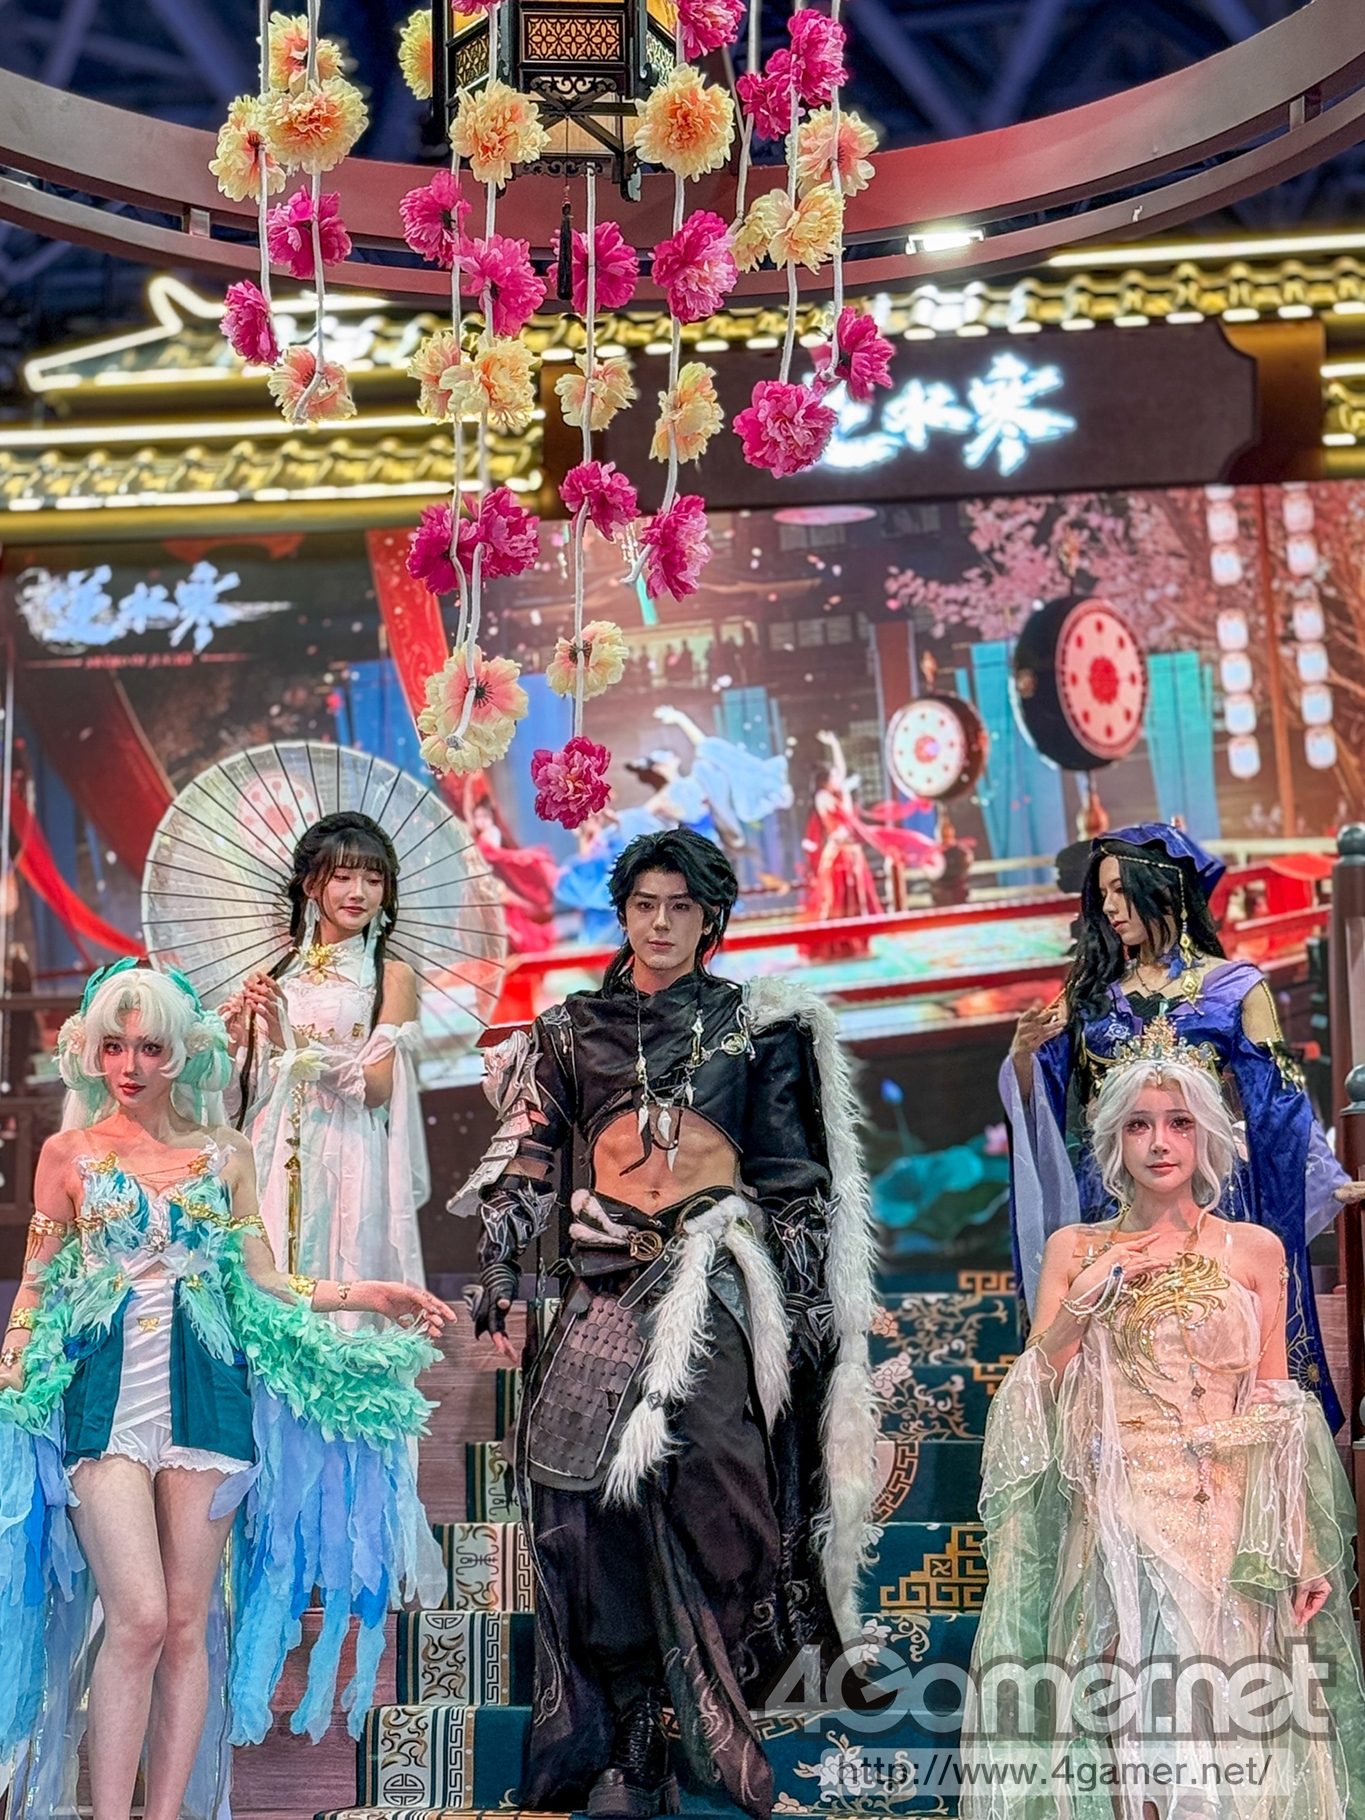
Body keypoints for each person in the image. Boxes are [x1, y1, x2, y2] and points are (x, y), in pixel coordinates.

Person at [451, 828, 877, 1820]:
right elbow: (525, 1154)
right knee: (582, 1507)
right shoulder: (573, 1030)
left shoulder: (753, 1028)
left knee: (718, 1478)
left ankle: (712, 1707)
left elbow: (793, 1178)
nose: (661, 922)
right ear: (624, 912)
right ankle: (632, 1731)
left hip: (713, 1279)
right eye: (645, 903)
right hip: (600, 1285)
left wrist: (814, 1314)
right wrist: (501, 1271)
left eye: (682, 906)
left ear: (710, 919)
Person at [0, 961, 450, 1820]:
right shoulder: (67, 1154)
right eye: (114, 1047)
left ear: (181, 1053)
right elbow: (36, 1281)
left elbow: (265, 1284)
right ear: (91, 1053)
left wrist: (367, 1292)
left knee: (185, 1621)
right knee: (135, 1616)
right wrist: (16, 1353)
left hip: (208, 1401)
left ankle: (164, 1814)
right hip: (100, 1403)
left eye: (150, 1047)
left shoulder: (225, 1152)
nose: (130, 1064)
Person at [961, 1026, 1365, 1818]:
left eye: (1178, 1123)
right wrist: (1085, 1301)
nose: (1159, 1142)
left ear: (1206, 1135)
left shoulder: (1254, 1249)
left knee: (1233, 1724)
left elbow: (1276, 1407)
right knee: (1134, 1720)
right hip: (1117, 1512)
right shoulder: (1076, 1249)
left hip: (1232, 1519)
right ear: (1113, 1141)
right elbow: (1029, 1397)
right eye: (1138, 1125)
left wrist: (1299, 1541)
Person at [1001, 822, 1347, 1429]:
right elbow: (1046, 1105)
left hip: (1212, 1193)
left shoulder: (1235, 988)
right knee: (1117, 1358)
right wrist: (1023, 1058)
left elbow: (1280, 1099)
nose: (1108, 908)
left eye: (1119, 890)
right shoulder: (1089, 997)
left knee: (1213, 1346)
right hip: (1113, 1197)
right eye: (1102, 894)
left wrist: (1323, 1178)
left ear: (1162, 888)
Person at [224, 811, 428, 1308]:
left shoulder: (392, 976)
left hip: (348, 1146)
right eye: (342, 877)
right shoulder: (274, 976)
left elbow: (378, 1088)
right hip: (273, 1144)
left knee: (345, 1273)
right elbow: (238, 1099)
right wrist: (233, 1042)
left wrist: (292, 1041)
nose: (359, 892)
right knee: (267, 1274)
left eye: (373, 880)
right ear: (311, 885)